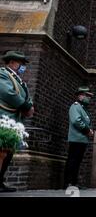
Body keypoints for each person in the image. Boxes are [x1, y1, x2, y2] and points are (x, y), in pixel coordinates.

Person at [0, 51, 34, 192]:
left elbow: (26, 96)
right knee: (1, 152)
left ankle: (0, 181)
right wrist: (25, 105)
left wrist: (29, 106)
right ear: (12, 62)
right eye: (21, 64)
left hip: (15, 120)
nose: (23, 67)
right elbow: (8, 92)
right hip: (5, 118)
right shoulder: (3, 74)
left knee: (9, 152)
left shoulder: (19, 79)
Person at [63, 86, 94, 189]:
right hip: (76, 139)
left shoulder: (82, 108)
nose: (89, 98)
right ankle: (69, 183)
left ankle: (73, 183)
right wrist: (87, 130)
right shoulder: (75, 107)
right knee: (73, 161)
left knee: (77, 162)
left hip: (81, 140)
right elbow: (76, 121)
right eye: (87, 96)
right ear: (80, 96)